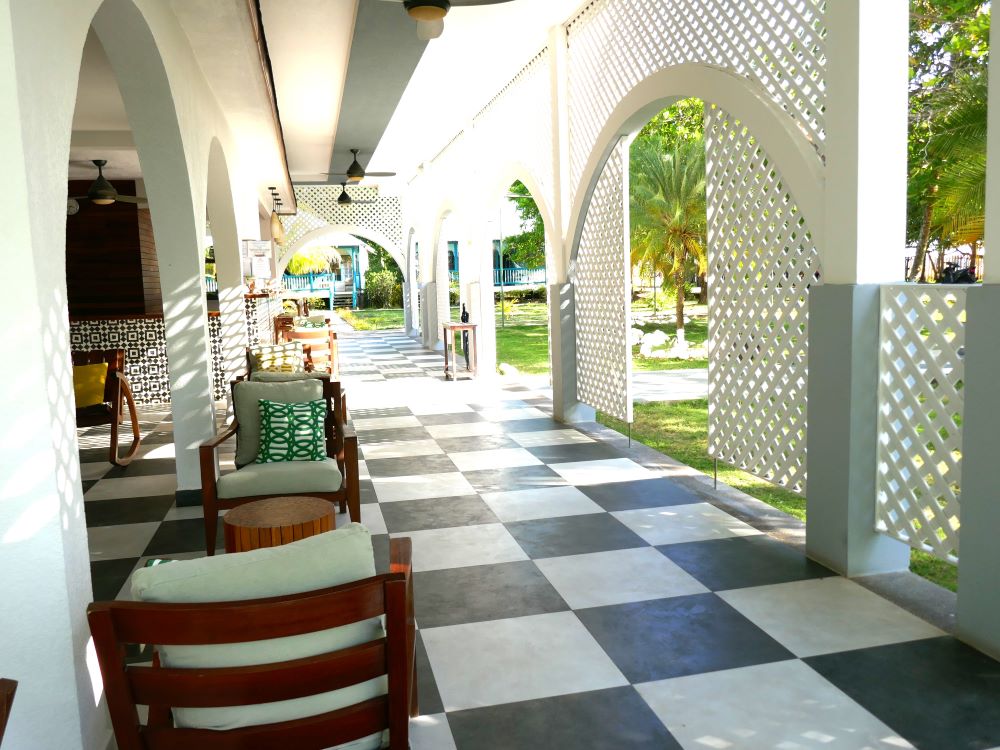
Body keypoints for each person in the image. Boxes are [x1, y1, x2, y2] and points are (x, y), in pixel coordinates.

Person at [461, 303, 471, 370]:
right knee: (465, 347)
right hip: (465, 329)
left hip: (467, 330)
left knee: (466, 347)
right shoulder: (464, 315)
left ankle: (468, 363)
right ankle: (468, 363)